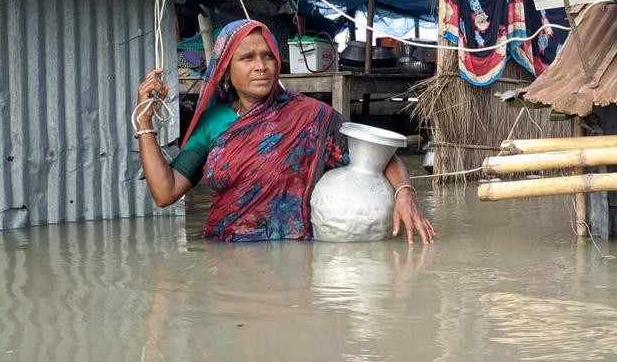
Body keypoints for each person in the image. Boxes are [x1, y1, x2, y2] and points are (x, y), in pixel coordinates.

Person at [134, 19, 435, 243]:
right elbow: (165, 192)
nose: (261, 66)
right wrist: (144, 123)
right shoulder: (213, 123)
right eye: (247, 58)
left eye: (267, 56)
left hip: (292, 260)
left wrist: (405, 193)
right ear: (226, 69)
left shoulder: (311, 116)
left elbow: (377, 156)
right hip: (224, 256)